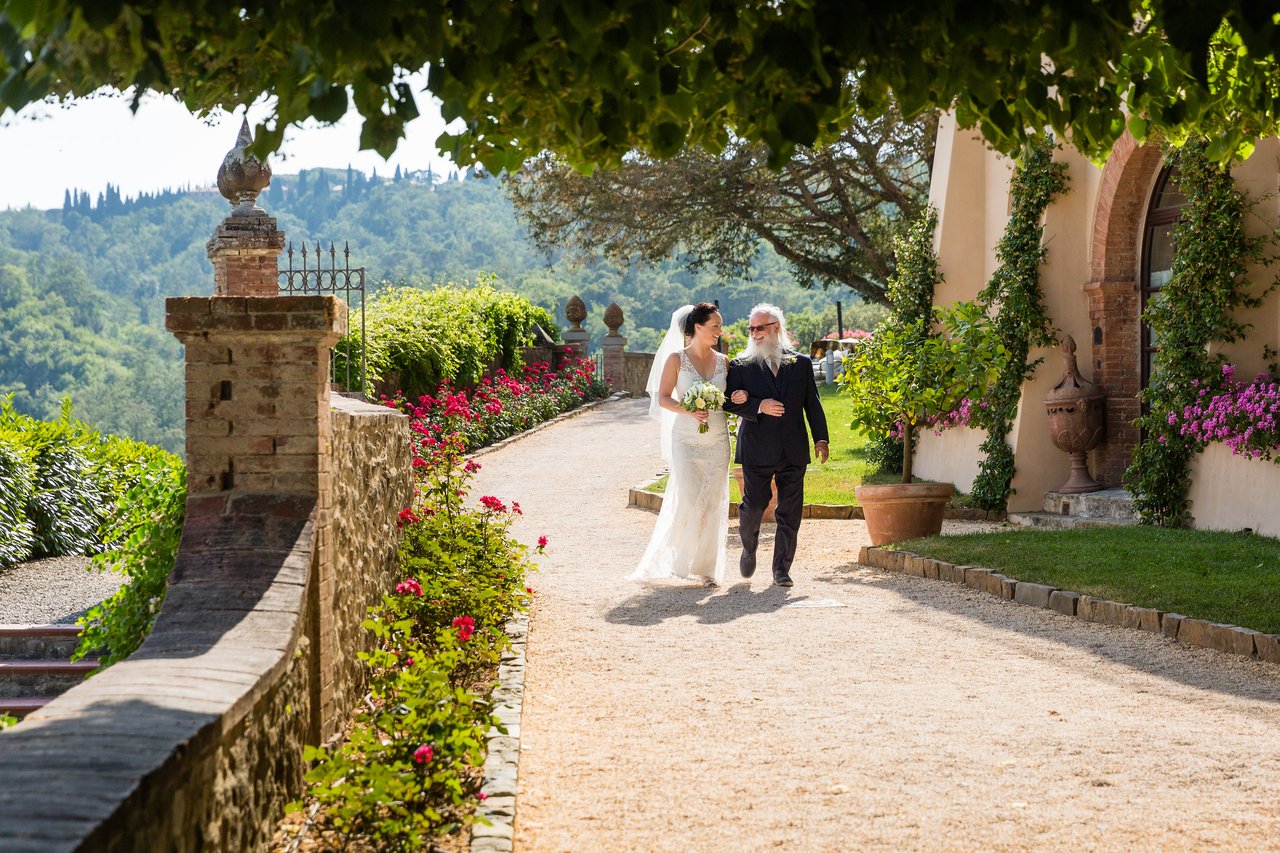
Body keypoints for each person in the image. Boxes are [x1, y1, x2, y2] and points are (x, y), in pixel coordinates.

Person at [629, 303, 748, 587]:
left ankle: (707, 569)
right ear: (698, 327)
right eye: (715, 326)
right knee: (691, 499)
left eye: (720, 326)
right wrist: (689, 409)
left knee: (713, 502)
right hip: (685, 439)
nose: (720, 331)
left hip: (717, 438)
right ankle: (678, 557)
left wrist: (740, 396)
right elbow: (664, 398)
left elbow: (727, 398)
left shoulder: (724, 361)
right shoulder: (676, 360)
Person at [725, 304, 829, 588]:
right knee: (754, 505)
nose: (755, 333)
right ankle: (748, 548)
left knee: (790, 511)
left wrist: (821, 438)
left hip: (793, 448)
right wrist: (758, 405)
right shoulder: (740, 365)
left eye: (760, 328)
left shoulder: (802, 363)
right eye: (751, 329)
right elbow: (726, 401)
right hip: (756, 448)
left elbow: (813, 404)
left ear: (776, 328)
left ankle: (781, 569)